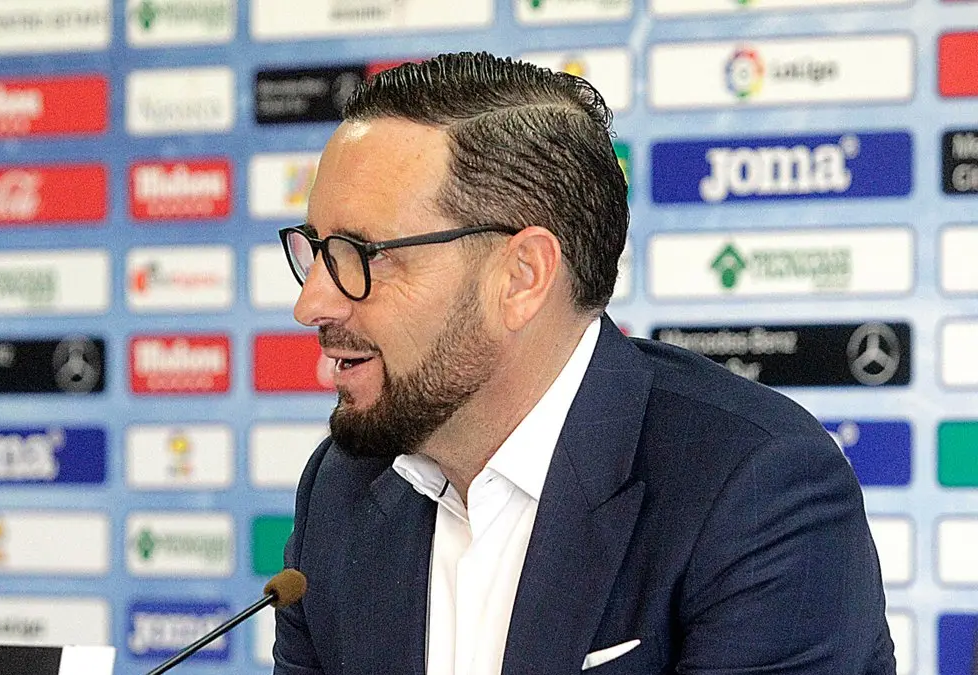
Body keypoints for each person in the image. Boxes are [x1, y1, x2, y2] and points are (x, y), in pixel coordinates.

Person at [272, 51, 894, 675]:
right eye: (316, 251)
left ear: (522, 277)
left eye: (361, 254)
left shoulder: (753, 489)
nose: (311, 304)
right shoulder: (341, 487)